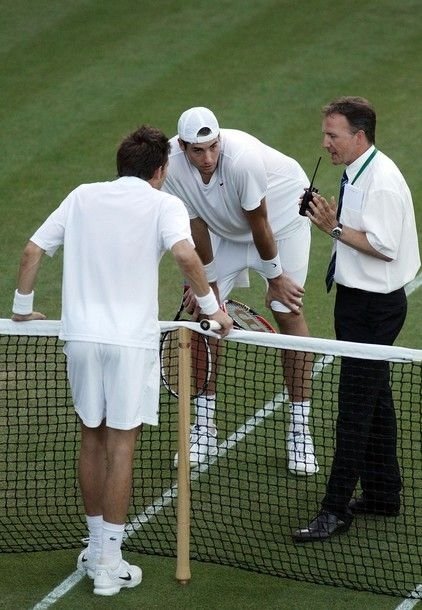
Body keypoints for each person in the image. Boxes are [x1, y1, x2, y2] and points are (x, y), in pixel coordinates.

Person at [11, 125, 233, 595]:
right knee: (121, 447)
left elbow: (32, 251)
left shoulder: (82, 195)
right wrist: (214, 312)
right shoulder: (165, 204)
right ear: (160, 170)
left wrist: (19, 308)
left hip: (82, 339)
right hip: (129, 343)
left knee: (91, 438)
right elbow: (186, 257)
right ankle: (109, 565)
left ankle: (96, 549)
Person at [163, 106, 318, 476]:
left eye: (213, 147)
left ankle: (300, 431)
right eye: (197, 151)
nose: (207, 158)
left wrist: (276, 275)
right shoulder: (170, 164)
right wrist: (207, 285)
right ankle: (204, 427)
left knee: (287, 309)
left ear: (220, 140)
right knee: (206, 316)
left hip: (279, 225)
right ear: (183, 146)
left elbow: (259, 222)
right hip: (221, 228)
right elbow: (195, 224)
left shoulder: (243, 160)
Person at [293, 96, 420, 542]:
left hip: (374, 309)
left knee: (354, 410)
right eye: (326, 133)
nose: (325, 143)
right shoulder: (357, 171)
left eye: (333, 135)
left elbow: (383, 245)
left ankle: (334, 510)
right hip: (356, 302)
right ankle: (384, 494)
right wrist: (324, 215)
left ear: (359, 136)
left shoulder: (380, 182)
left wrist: (331, 226)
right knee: (376, 399)